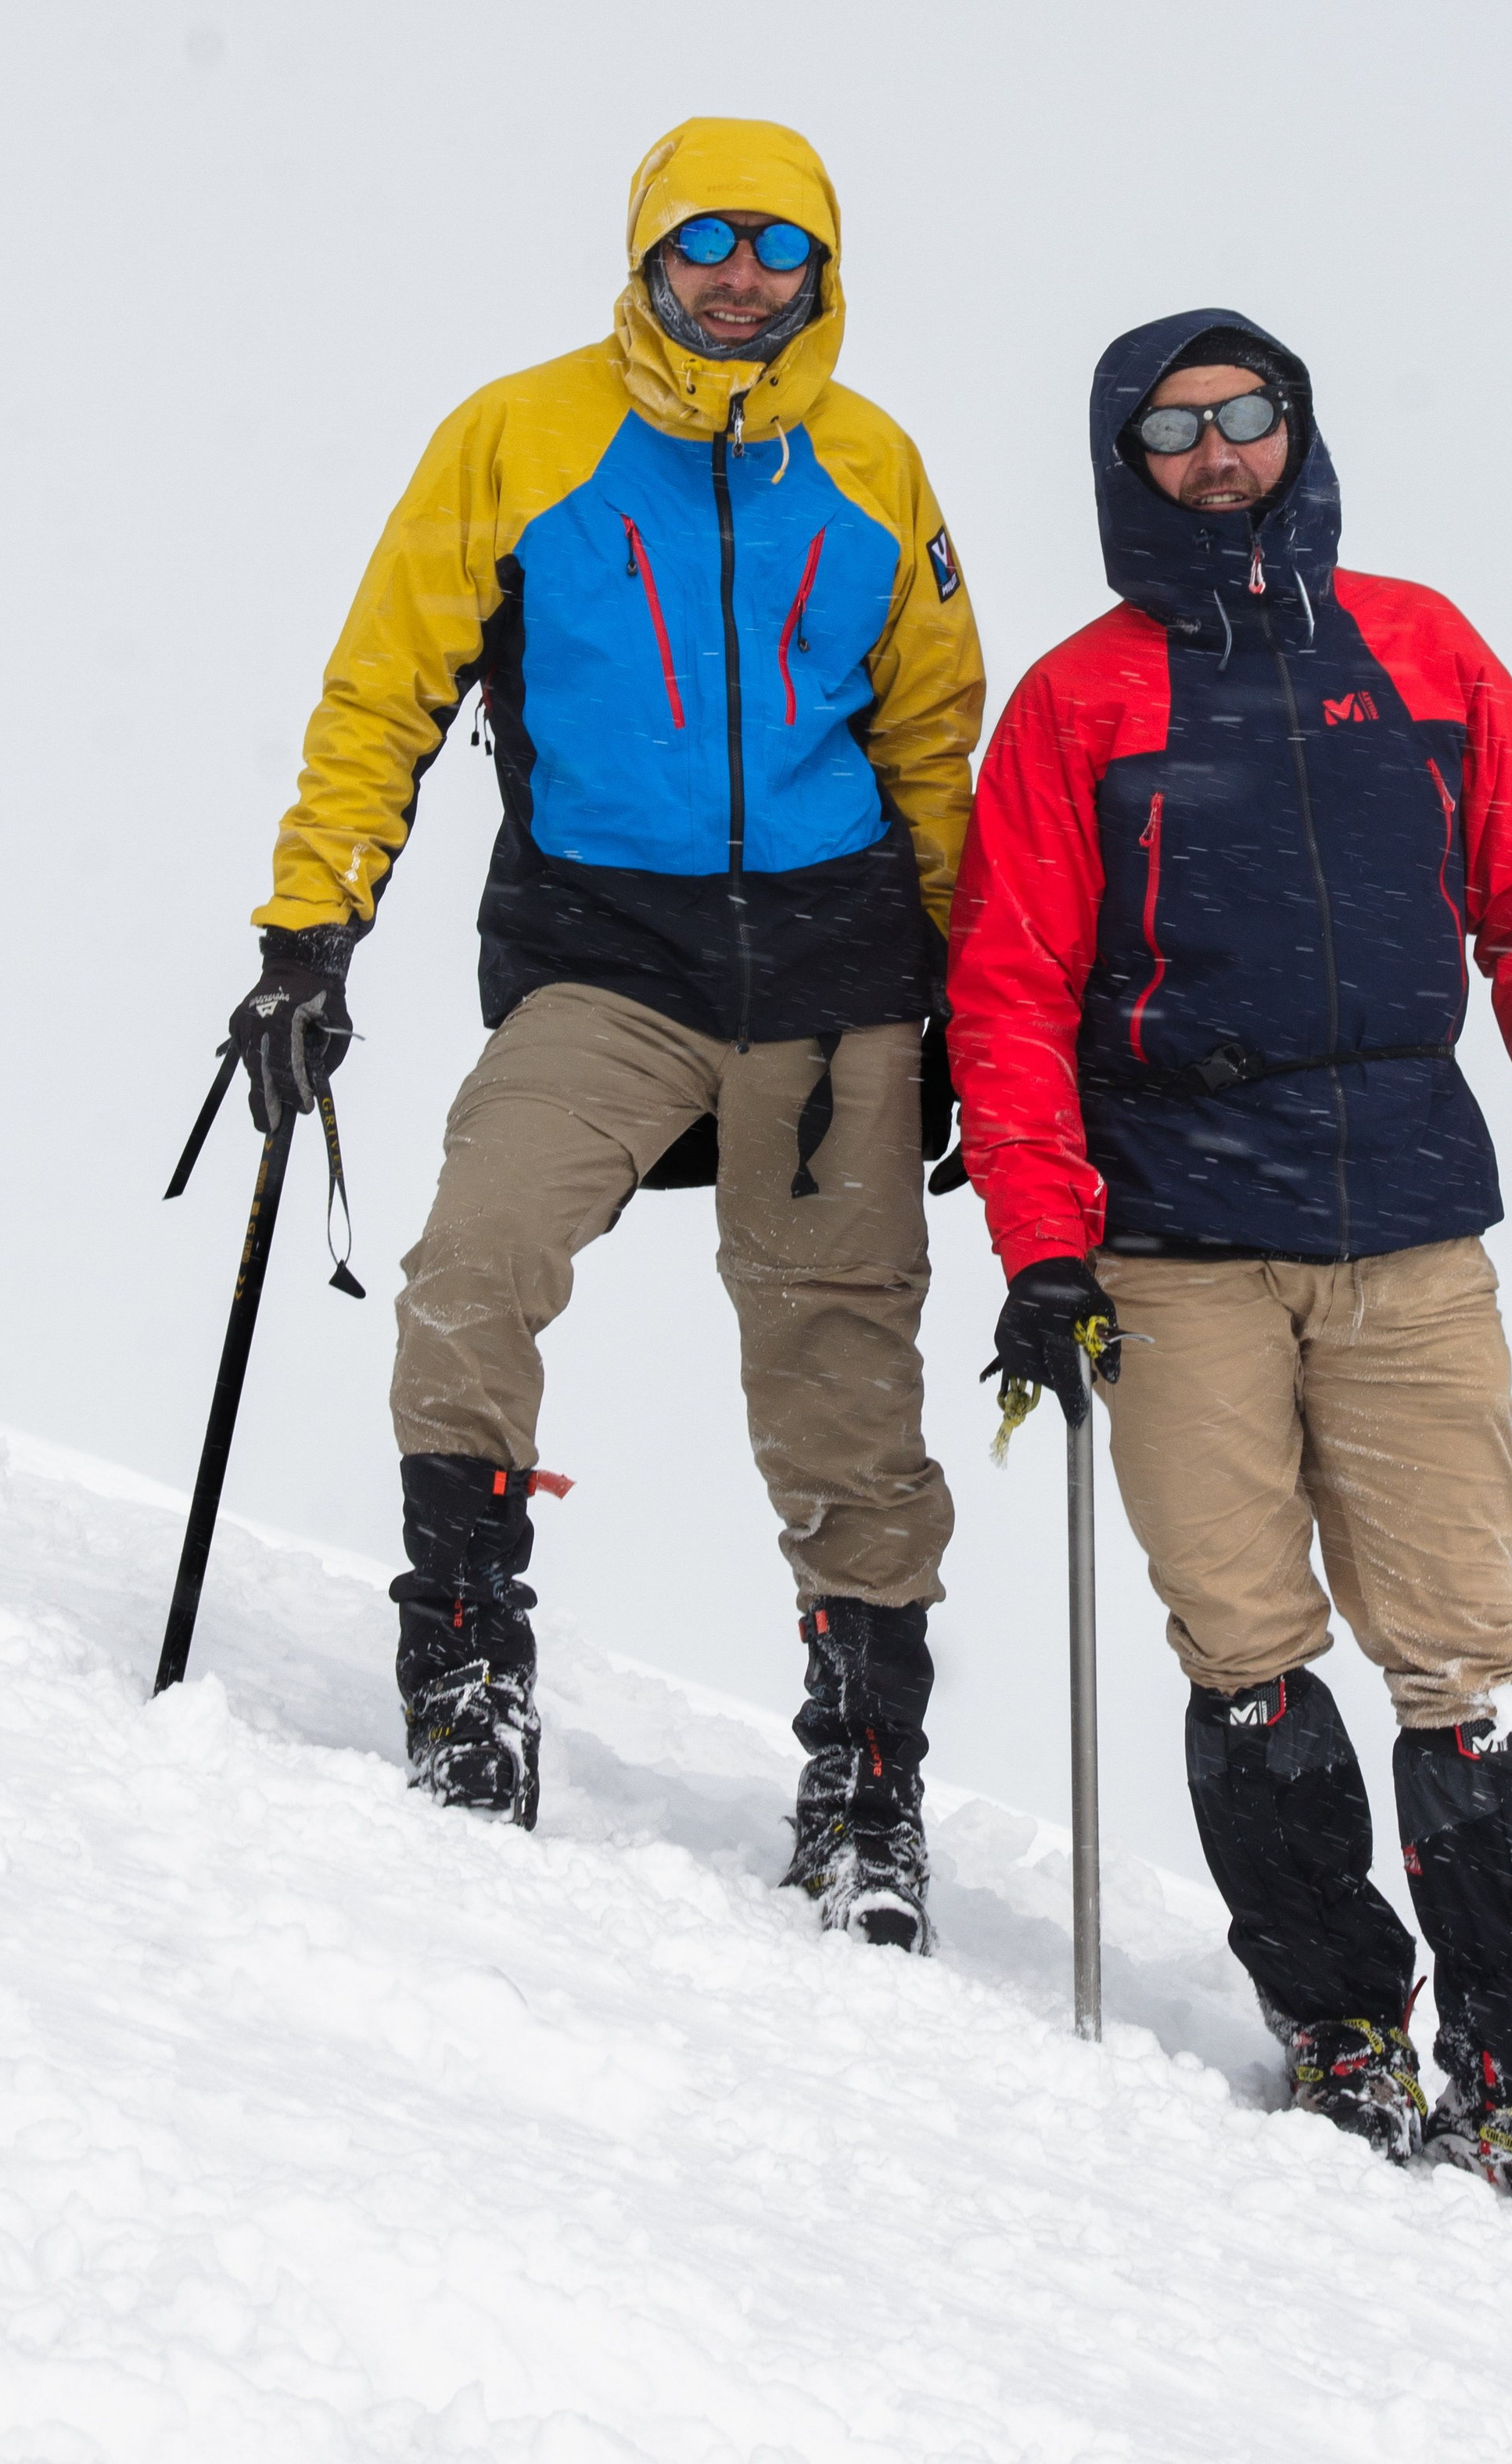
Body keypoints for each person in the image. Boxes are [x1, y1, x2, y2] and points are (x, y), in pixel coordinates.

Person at [946, 307, 1512, 2265]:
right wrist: (1040, 1239)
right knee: (1245, 1646)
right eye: (1170, 429)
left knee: (1459, 1654)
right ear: (1125, 461)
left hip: (1409, 1235)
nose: (1213, 455)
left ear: (1294, 429)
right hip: (1175, 1246)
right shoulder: (1082, 701)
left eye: (1241, 415)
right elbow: (1005, 984)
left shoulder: (1423, 654)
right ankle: (1340, 2030)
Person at [228, 117, 982, 1952]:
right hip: (604, 953)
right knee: (476, 1258)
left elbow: (935, 748)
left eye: (778, 247)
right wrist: (308, 926)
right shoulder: (519, 434)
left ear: (821, 269)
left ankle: (864, 1779)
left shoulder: (874, 463)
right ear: (648, 254)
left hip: (834, 981)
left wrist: (973, 1003)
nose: (741, 277)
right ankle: (469, 1670)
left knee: (839, 1378)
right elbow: (383, 683)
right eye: (706, 241)